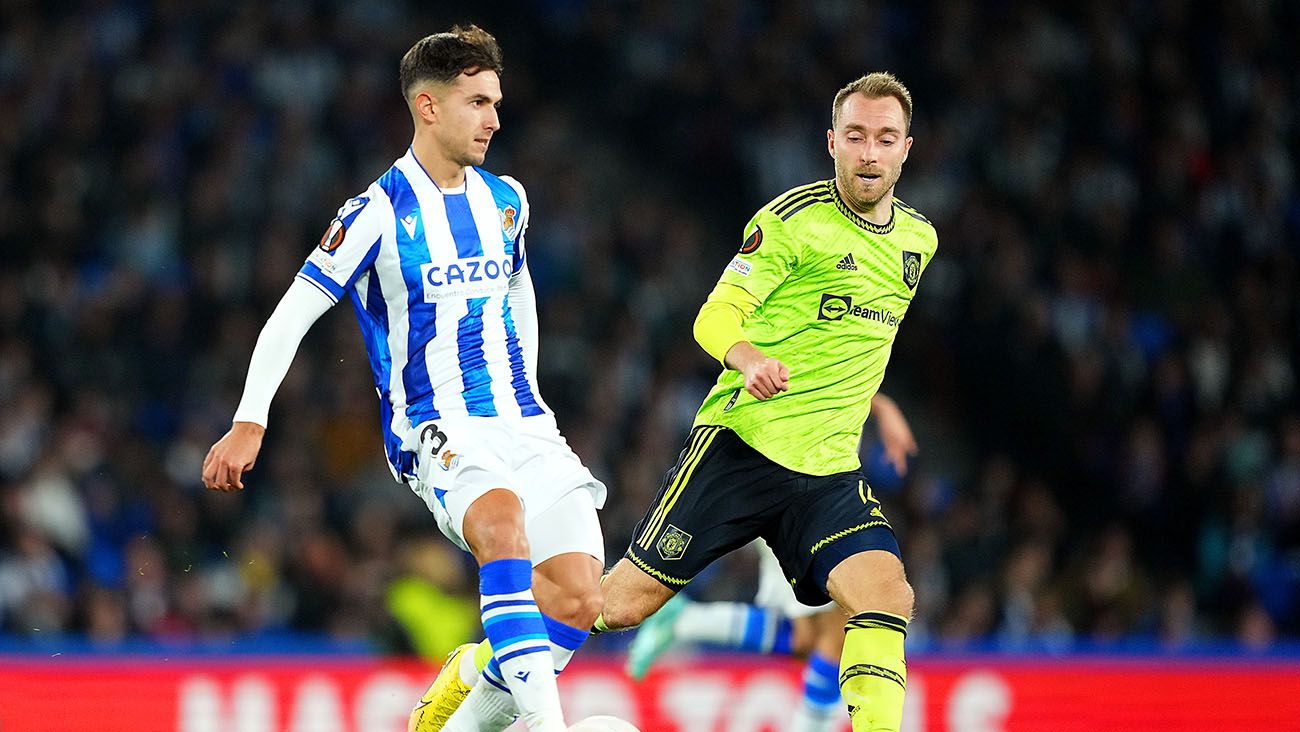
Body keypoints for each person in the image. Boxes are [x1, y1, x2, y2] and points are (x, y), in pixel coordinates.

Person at [425, 71, 935, 732]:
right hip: (740, 448)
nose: (870, 152)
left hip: (828, 475)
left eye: (885, 139)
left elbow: (848, 346)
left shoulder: (918, 241)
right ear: (831, 142)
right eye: (857, 136)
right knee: (608, 607)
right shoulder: (789, 225)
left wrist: (881, 406)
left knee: (885, 596)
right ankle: (475, 670)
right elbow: (715, 316)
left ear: (906, 149)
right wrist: (747, 357)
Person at [199, 26, 606, 732]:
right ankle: (549, 727)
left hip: (523, 421)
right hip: (437, 425)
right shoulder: (374, 214)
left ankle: (469, 685)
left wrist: (529, 391)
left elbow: (517, 291)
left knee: (577, 598)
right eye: (478, 102)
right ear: (428, 106)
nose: (495, 119)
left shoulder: (506, 199)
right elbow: (291, 314)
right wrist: (249, 417)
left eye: (497, 102)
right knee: (503, 528)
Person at [624, 393, 919, 732]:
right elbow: (807, 371)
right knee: (838, 633)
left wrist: (882, 407)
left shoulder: (845, 372)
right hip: (798, 498)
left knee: (809, 638)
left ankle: (687, 621)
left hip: (806, 495)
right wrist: (883, 408)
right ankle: (687, 621)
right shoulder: (806, 367)